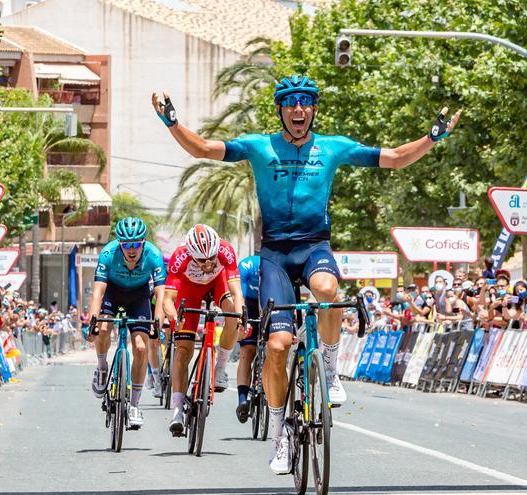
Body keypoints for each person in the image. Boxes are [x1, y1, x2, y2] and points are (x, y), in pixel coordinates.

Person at [153, 74, 461, 474]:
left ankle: (330, 370)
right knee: (278, 346)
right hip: (275, 254)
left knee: (328, 289)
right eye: (291, 103)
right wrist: (172, 121)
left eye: (306, 103)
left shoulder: (334, 147)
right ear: (281, 109)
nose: (299, 109)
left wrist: (433, 137)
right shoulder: (259, 146)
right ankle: (280, 435)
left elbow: (397, 157)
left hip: (315, 246)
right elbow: (203, 149)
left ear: (314, 108)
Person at [162, 224, 244, 436]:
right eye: (202, 260)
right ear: (191, 254)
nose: (208, 263)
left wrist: (241, 314)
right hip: (189, 291)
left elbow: (236, 291)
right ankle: (178, 410)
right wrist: (173, 317)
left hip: (218, 284)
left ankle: (219, 369)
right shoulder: (180, 257)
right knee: (182, 352)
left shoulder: (225, 250)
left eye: (211, 258)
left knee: (233, 315)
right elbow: (168, 300)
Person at [85, 217, 166, 429]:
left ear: (143, 243)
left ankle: (134, 405)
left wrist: (157, 324)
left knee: (141, 347)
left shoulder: (154, 255)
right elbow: (97, 292)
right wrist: (92, 321)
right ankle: (102, 367)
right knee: (103, 327)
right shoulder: (108, 254)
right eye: (126, 244)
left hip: (139, 296)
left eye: (136, 244)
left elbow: (161, 295)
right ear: (120, 244)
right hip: (113, 291)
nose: (131, 250)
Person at [235, 254, 260, 423]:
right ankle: (242, 400)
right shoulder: (247, 265)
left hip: (271, 303)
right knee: (247, 350)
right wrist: (242, 322)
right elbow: (240, 298)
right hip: (250, 304)